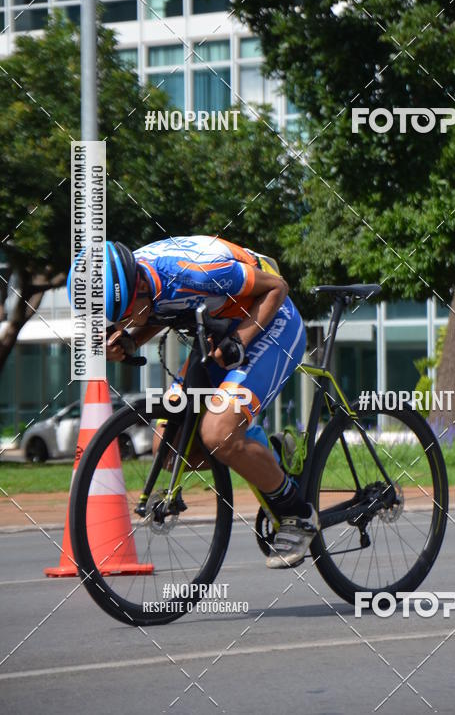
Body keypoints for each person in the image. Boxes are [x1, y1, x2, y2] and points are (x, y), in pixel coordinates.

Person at [67, 237, 317, 567]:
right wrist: (127, 339)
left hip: (270, 320)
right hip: (216, 329)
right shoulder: (134, 281)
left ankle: (298, 514)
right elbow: (153, 311)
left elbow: (277, 287)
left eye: (127, 313)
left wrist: (240, 340)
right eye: (118, 318)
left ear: (138, 284)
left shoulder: (192, 273)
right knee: (167, 450)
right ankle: (267, 459)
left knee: (217, 433)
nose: (127, 320)